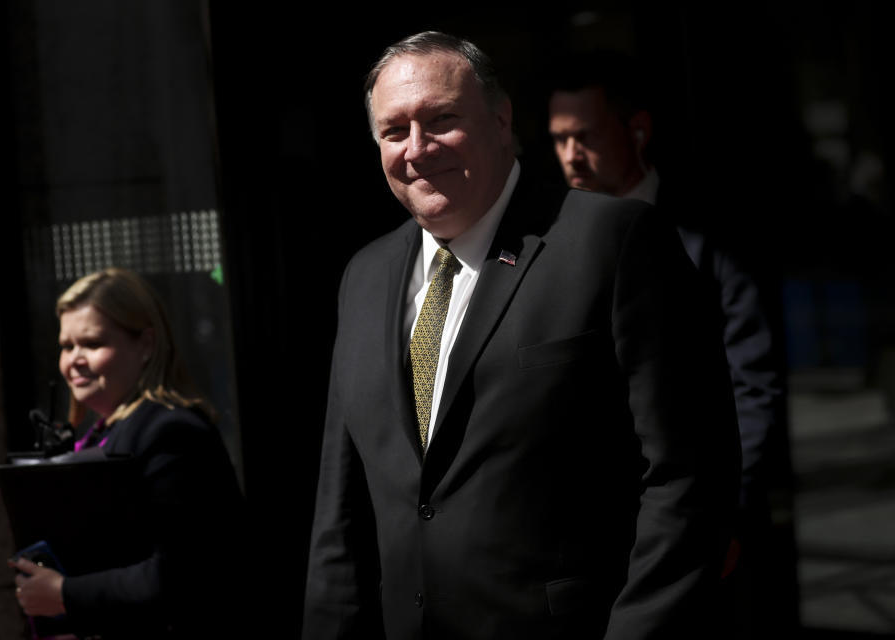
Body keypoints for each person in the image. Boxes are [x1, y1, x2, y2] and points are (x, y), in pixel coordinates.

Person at [302, 31, 741, 639]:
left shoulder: (612, 241)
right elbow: (340, 514)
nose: (418, 149)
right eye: (394, 131)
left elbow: (689, 476)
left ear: (502, 121)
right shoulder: (365, 277)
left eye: (442, 120)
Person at [546, 52, 796, 635]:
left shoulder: (708, 241)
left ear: (637, 131)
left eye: (585, 136)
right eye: (558, 139)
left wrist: (725, 518)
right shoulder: (553, 242)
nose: (570, 156)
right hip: (587, 541)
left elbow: (752, 387)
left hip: (700, 526)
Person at [9, 267, 245, 638]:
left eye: (92, 343)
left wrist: (64, 594)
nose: (74, 360)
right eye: (67, 346)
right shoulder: (108, 431)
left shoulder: (171, 432)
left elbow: (182, 573)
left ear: (146, 345)